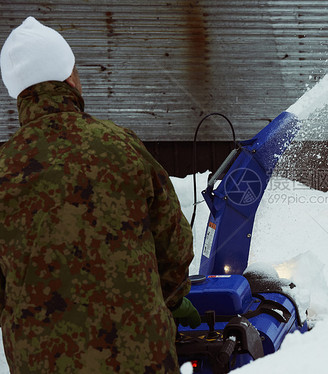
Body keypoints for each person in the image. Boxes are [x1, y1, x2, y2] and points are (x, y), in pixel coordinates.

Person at [0, 17, 200, 373]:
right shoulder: (120, 146)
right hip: (142, 359)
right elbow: (176, 245)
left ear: (16, 90)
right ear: (70, 77)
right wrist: (164, 300)